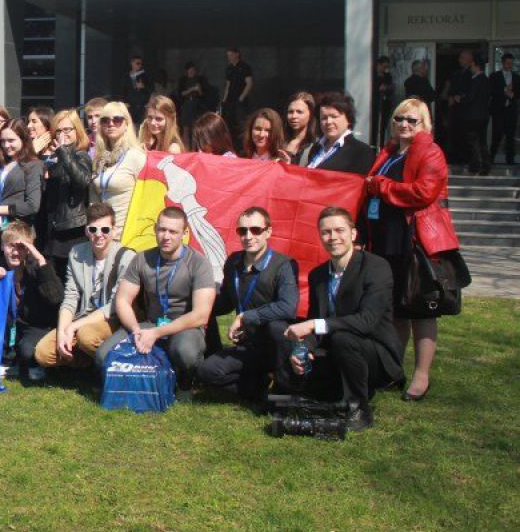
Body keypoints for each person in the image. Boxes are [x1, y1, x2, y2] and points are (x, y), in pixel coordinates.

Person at [363, 98, 459, 402]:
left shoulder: (430, 152)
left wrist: (383, 187)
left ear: (424, 124)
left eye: (411, 120)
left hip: (414, 240)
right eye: (399, 118)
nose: (404, 124)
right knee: (395, 308)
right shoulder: (389, 152)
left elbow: (423, 192)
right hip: (385, 238)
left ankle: (421, 376)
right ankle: (394, 369)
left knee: (420, 308)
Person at [282, 207, 404, 431]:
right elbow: (316, 322)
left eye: (339, 230)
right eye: (326, 232)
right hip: (336, 349)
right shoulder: (318, 275)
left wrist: (314, 325)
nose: (333, 237)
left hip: (375, 352)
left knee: (343, 339)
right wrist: (304, 348)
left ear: (353, 233)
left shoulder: (376, 267)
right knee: (293, 357)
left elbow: (367, 321)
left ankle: (359, 411)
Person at [103, 206, 217, 390]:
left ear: (184, 233)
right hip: (149, 324)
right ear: (155, 229)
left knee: (185, 353)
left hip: (185, 327)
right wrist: (135, 331)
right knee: (103, 355)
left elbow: (201, 316)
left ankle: (186, 383)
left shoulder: (199, 262)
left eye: (173, 231)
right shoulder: (142, 259)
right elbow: (123, 300)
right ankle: (129, 383)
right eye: (162, 229)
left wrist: (156, 333)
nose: (166, 236)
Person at [196, 207, 299, 401]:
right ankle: (259, 386)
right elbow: (226, 301)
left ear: (268, 232)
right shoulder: (233, 261)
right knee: (206, 372)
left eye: (255, 230)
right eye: (242, 231)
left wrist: (246, 317)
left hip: (275, 347)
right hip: (247, 346)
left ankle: (281, 384)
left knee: (277, 327)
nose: (248, 236)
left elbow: (288, 307)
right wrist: (199, 303)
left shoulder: (283, 265)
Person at [33, 204, 135, 370]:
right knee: (43, 353)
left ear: (114, 231)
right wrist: (62, 332)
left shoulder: (127, 257)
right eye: (93, 229)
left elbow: (115, 306)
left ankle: (118, 366)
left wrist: (74, 326)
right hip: (84, 316)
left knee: (86, 336)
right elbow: (70, 298)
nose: (99, 235)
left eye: (105, 230)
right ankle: (90, 366)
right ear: (87, 231)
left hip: (112, 319)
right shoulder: (76, 253)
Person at [0, 221, 63, 381]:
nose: (15, 252)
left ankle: (35, 363)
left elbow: (56, 298)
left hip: (36, 326)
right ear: (2, 246)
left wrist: (41, 261)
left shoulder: (38, 268)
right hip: (9, 326)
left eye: (21, 247)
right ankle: (8, 360)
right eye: (11, 246)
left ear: (29, 248)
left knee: (27, 350)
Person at [0, 119, 42, 268]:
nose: (6, 145)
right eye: (3, 141)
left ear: (23, 139)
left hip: (19, 236)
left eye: (11, 140)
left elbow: (32, 205)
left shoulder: (33, 165)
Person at [42, 110, 93, 282]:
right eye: (58, 131)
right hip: (53, 230)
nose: (63, 134)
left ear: (77, 131)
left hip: (73, 230)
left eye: (67, 130)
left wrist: (64, 154)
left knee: (71, 282)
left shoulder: (81, 156)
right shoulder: (53, 159)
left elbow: (82, 180)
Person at [91, 101, 146, 231]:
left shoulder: (135, 156)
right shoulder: (100, 159)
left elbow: (146, 197)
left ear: (126, 124)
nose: (111, 124)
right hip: (102, 233)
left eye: (117, 120)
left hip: (126, 231)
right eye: (105, 120)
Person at [299, 91, 376, 174]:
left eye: (334, 116)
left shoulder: (361, 151)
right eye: (324, 118)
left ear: (348, 119)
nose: (329, 122)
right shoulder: (316, 148)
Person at [461, 53, 492, 174]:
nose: (470, 68)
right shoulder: (486, 80)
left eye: (472, 65)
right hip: (483, 115)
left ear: (476, 66)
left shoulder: (476, 80)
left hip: (473, 116)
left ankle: (476, 165)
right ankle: (485, 165)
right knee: (482, 141)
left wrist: (461, 98)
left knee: (473, 141)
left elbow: (470, 97)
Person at [490, 53, 517, 165]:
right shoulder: (495, 76)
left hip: (511, 111)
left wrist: (513, 95)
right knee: (496, 135)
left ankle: (510, 161)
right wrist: (504, 90)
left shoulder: (516, 77)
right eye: (508, 63)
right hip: (498, 111)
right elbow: (491, 90)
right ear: (503, 63)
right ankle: (490, 160)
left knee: (510, 137)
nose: (510, 65)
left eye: (511, 63)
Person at [221, 47, 254, 137]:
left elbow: (249, 83)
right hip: (230, 101)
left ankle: (243, 143)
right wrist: (224, 100)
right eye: (228, 56)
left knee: (241, 123)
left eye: (231, 55)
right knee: (229, 123)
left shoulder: (244, 67)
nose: (229, 57)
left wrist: (241, 98)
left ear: (237, 54)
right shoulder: (229, 68)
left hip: (240, 101)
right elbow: (228, 86)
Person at [282, 92, 318, 164]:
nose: (294, 116)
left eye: (299, 112)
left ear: (310, 115)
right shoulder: (279, 141)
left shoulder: (317, 145)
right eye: (290, 112)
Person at [177, 62, 210, 130]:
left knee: (195, 126)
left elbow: (202, 94)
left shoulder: (199, 80)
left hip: (196, 105)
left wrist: (199, 89)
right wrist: (192, 89)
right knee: (186, 127)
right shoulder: (183, 80)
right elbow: (181, 93)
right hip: (186, 105)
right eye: (190, 70)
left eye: (193, 70)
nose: (192, 72)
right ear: (187, 71)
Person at [373, 56, 395, 147]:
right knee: (374, 126)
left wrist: (387, 88)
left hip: (385, 105)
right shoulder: (372, 75)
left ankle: (381, 145)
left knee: (383, 127)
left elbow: (391, 88)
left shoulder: (388, 76)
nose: (386, 69)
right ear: (378, 65)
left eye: (387, 67)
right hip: (374, 105)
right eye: (384, 66)